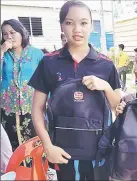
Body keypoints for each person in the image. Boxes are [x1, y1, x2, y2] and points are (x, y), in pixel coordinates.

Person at [28, 1, 121, 180]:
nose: (77, 29)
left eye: (83, 23)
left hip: (98, 153)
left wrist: (106, 86)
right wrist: (48, 147)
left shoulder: (106, 64)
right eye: (70, 23)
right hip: (61, 152)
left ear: (92, 26)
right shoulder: (49, 62)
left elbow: (117, 107)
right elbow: (37, 109)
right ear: (61, 25)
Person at [0, 19, 44, 150]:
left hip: (32, 107)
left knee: (34, 144)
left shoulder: (36, 54)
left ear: (21, 33)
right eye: (4, 34)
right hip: (8, 109)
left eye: (12, 32)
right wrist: (2, 51)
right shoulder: (4, 54)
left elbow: (46, 78)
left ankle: (34, 170)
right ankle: (16, 170)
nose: (8, 37)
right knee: (10, 147)